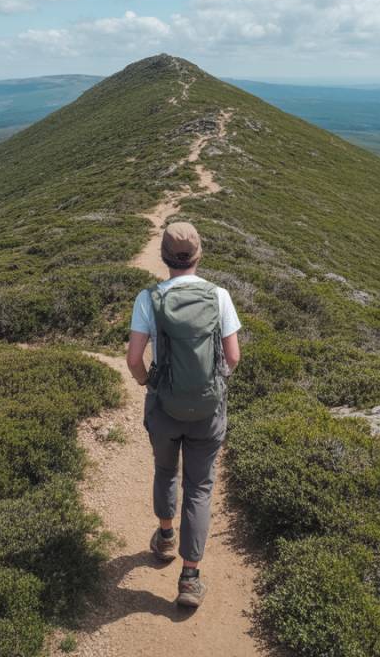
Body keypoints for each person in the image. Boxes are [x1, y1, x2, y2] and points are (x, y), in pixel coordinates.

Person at [126, 221, 241, 608]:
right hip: (208, 409)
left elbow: (133, 360)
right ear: (198, 255)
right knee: (201, 487)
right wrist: (213, 384)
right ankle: (190, 578)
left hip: (164, 406)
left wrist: (150, 384)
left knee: (164, 470)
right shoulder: (219, 296)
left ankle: (165, 537)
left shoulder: (149, 299)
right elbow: (234, 357)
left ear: (163, 256)